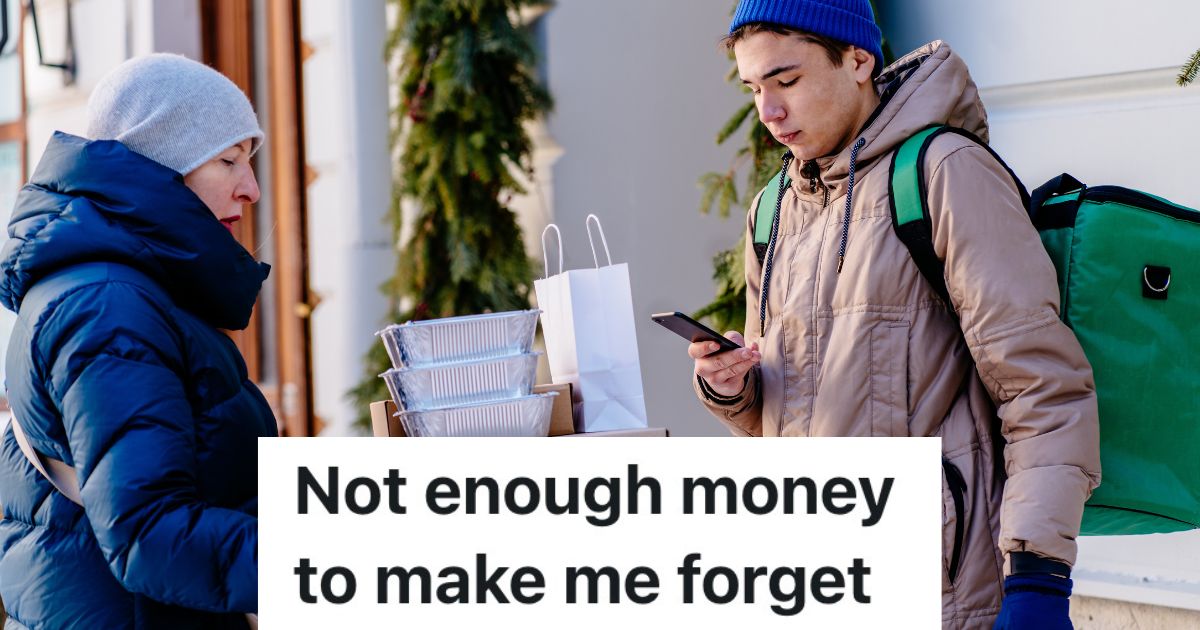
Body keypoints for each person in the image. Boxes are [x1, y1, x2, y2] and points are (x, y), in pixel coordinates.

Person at [689, 2, 1101, 628]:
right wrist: (736, 387)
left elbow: (1043, 388)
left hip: (942, 592)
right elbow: (783, 420)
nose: (768, 112)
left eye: (787, 81)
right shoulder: (774, 211)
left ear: (857, 60)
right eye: (755, 89)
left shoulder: (943, 174)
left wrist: (1038, 578)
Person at [0, 54, 275, 629]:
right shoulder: (106, 308)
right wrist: (345, 560)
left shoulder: (124, 293)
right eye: (229, 160)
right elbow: (148, 533)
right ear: (159, 165)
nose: (250, 189)